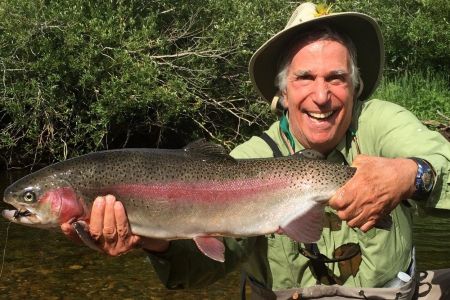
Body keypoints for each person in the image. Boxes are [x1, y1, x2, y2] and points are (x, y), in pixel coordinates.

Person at [61, 2, 450, 299]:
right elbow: (199, 271)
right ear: (283, 91)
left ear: (355, 87)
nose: (321, 96)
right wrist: (153, 240)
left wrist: (411, 175)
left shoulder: (381, 124)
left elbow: (441, 163)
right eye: (305, 78)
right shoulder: (248, 160)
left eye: (336, 78)